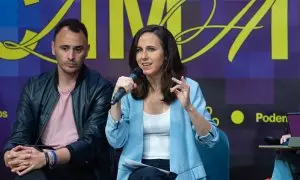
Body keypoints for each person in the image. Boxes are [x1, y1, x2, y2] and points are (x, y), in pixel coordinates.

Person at [3, 18, 114, 180]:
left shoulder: (100, 88)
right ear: (53, 48)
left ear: (87, 50)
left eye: (78, 49)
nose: (71, 56)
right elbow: (20, 134)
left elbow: (91, 142)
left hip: (81, 165)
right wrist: (10, 153)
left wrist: (49, 157)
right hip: (40, 160)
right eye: (64, 48)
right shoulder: (34, 87)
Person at [105, 25, 219, 180]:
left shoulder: (187, 88)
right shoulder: (129, 90)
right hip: (139, 173)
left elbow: (211, 140)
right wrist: (116, 100)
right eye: (139, 50)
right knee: (149, 176)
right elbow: (116, 141)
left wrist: (188, 107)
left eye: (151, 49)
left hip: (180, 174)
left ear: (166, 54)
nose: (143, 56)